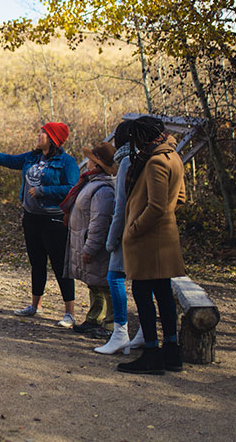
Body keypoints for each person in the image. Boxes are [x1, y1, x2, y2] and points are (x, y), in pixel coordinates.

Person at [0, 122, 80, 327]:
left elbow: (72, 188)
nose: (38, 135)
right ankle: (35, 306)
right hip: (31, 218)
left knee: (60, 266)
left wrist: (43, 191)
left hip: (54, 221)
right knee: (37, 263)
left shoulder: (67, 162)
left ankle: (70, 313)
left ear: (53, 139)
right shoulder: (32, 157)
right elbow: (10, 160)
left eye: (43, 133)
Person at [117, 116, 187, 374]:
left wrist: (134, 228)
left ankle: (151, 354)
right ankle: (171, 351)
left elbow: (156, 207)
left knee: (143, 293)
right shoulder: (173, 156)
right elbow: (180, 197)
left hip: (148, 239)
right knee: (163, 293)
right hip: (163, 238)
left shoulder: (155, 161)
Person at [94, 121, 144, 354]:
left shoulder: (126, 161)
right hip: (144, 228)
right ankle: (143, 331)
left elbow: (120, 204)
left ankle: (121, 331)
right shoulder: (145, 158)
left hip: (127, 230)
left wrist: (111, 240)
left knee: (115, 277)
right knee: (143, 281)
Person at [60, 142, 116, 339]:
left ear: (97, 164)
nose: (87, 162)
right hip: (83, 240)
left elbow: (99, 222)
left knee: (104, 286)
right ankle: (94, 318)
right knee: (94, 284)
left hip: (95, 245)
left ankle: (110, 324)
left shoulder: (103, 190)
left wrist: (90, 247)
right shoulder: (90, 182)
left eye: (91, 159)